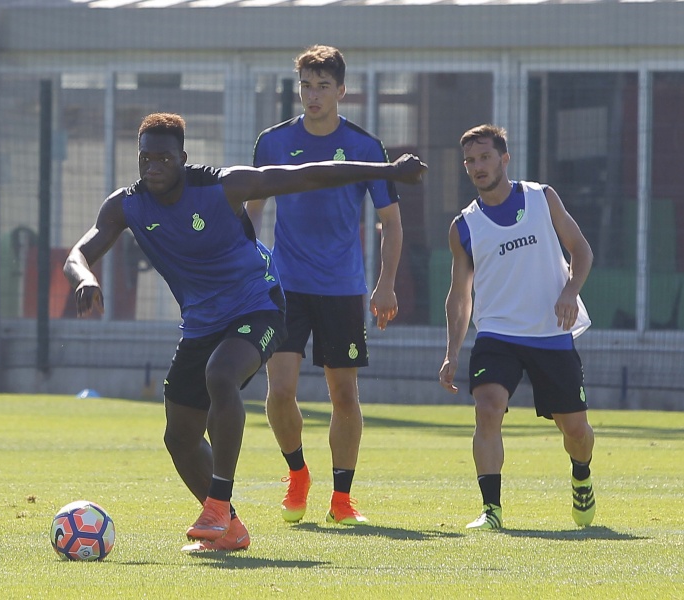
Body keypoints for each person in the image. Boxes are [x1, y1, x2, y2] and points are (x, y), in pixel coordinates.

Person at [63, 112, 426, 552]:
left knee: (221, 375)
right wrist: (85, 277)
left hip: (259, 305)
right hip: (201, 323)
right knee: (179, 437)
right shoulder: (126, 205)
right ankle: (231, 528)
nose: (153, 167)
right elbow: (79, 252)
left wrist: (388, 170)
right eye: (145, 159)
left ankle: (217, 504)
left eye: (164, 158)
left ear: (183, 158)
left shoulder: (222, 186)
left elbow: (308, 174)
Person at [246, 45, 404, 525]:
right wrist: (249, 270)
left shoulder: (365, 148)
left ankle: (341, 498)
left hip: (342, 288)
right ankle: (297, 473)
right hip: (286, 286)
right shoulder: (273, 142)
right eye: (306, 86)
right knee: (280, 390)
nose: (312, 95)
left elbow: (391, 223)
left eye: (322, 86)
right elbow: (252, 211)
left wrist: (386, 285)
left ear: (341, 91)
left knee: (344, 396)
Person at [438, 124, 596, 530]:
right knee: (488, 408)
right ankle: (491, 510)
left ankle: (581, 476)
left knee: (576, 430)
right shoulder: (463, 226)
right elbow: (460, 295)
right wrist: (452, 352)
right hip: (497, 334)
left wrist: (570, 292)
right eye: (470, 161)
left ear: (504, 159)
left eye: (485, 157)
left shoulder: (542, 198)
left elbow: (581, 250)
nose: (477, 166)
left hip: (550, 332)